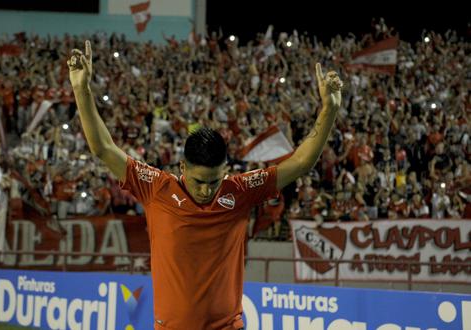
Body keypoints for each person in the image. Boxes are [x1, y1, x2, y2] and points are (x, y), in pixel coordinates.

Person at [68, 40, 343, 330]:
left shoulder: (240, 190)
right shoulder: (156, 187)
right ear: (182, 167)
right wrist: (81, 89)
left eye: (214, 181)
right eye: (198, 181)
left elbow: (300, 162)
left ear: (225, 170)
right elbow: (102, 148)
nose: (206, 189)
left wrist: (330, 108)